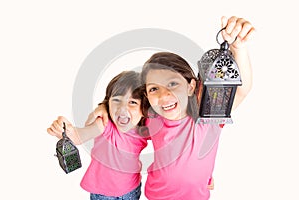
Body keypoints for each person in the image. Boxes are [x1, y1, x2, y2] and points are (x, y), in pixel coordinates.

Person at [85, 16, 255, 199]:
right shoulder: (152, 117)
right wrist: (103, 107)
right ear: (147, 95)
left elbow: (241, 90)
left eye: (173, 84)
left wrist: (239, 49)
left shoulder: (208, 116)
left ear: (191, 87)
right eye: (154, 89)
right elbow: (123, 117)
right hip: (156, 195)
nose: (163, 96)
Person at [47, 71, 149, 200]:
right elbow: (80, 136)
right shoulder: (104, 123)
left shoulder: (144, 129)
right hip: (104, 195)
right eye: (116, 100)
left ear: (144, 109)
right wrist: (67, 131)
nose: (123, 108)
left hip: (132, 189)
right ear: (108, 103)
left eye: (133, 102)